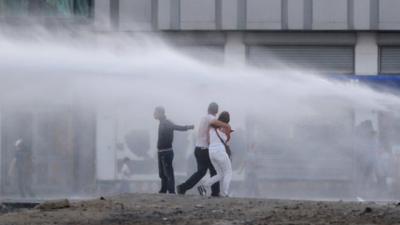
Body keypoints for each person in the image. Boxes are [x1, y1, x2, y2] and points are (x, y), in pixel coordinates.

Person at [177, 103, 231, 196]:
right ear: (216, 111)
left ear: (208, 109)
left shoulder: (203, 118)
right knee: (214, 170)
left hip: (198, 149)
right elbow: (214, 123)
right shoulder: (210, 118)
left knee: (201, 172)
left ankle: (183, 187)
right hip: (205, 149)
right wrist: (226, 125)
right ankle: (215, 192)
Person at [154, 106, 194, 194]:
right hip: (161, 152)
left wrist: (190, 127)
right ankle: (163, 189)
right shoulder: (161, 123)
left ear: (161, 113)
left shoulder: (167, 123)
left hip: (166, 151)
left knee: (168, 172)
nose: (154, 114)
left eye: (156, 112)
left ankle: (171, 190)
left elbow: (179, 128)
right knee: (162, 173)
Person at [197, 111, 233, 197]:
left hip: (211, 152)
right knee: (228, 172)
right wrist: (228, 130)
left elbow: (209, 141)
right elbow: (227, 140)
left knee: (220, 174)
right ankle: (225, 193)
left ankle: (203, 187)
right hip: (220, 151)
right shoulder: (226, 127)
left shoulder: (211, 127)